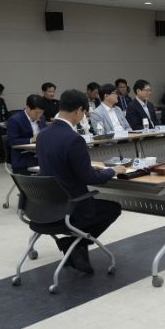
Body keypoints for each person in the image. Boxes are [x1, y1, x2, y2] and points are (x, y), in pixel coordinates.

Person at [37, 89, 126, 273]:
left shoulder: (43, 134)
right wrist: (112, 170)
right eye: (84, 113)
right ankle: (74, 244)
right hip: (72, 207)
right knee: (113, 208)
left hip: (46, 206)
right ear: (78, 111)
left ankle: (75, 248)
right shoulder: (73, 139)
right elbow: (89, 178)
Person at [6, 94, 47, 174]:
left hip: (40, 155)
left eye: (41, 113)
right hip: (23, 157)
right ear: (27, 107)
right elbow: (12, 142)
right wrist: (31, 140)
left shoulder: (42, 118)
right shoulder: (15, 120)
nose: (39, 115)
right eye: (36, 113)